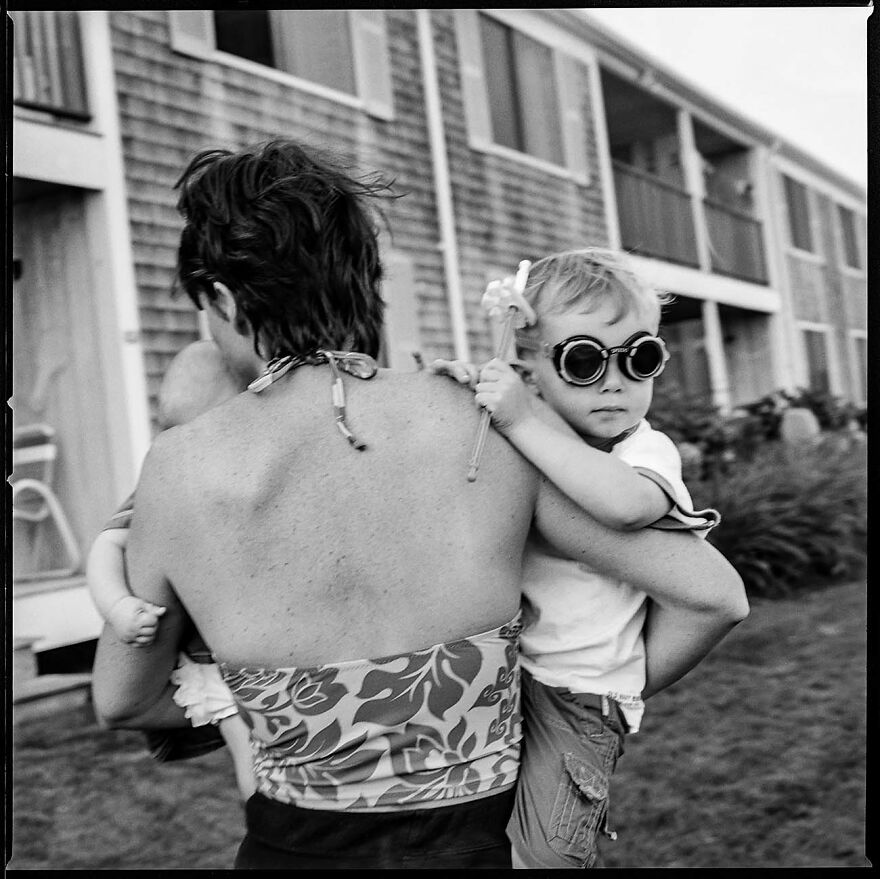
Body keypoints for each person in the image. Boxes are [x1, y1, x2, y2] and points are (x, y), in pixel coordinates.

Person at [90, 139, 748, 870]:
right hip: (482, 848)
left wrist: (294, 715)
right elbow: (709, 595)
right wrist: (594, 693)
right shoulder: (481, 422)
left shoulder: (178, 468)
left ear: (221, 297)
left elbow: (124, 698)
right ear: (367, 281)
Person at [431, 248, 722, 867]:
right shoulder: (528, 429)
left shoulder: (644, 450)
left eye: (640, 357)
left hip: (582, 691)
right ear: (529, 369)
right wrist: (467, 400)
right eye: (584, 360)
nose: (616, 380)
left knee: (549, 854)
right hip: (506, 674)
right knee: (474, 830)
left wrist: (523, 418)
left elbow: (624, 507)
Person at [87, 339, 256, 801]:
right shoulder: (165, 483)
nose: (191, 448)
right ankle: (268, 823)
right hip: (214, 664)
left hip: (262, 643)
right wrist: (119, 606)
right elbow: (107, 545)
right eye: (175, 433)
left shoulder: (253, 478)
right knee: (252, 757)